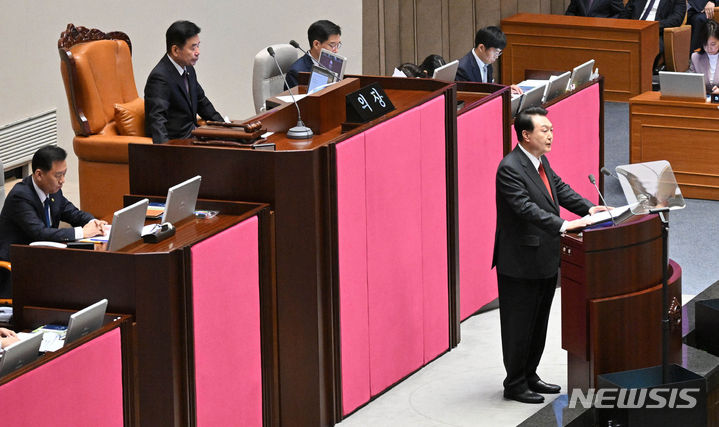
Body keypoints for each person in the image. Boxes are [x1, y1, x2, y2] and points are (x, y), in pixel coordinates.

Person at [492, 106, 607, 404]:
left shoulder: (540, 163)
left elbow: (559, 189)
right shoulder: (510, 168)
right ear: (526, 134)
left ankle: (530, 374)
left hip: (544, 258)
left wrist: (588, 208)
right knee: (519, 325)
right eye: (544, 130)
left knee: (538, 322)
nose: (550, 135)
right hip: (519, 262)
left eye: (551, 129)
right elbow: (525, 209)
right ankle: (514, 383)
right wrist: (565, 224)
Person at [0, 146, 105, 265]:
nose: (62, 180)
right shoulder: (20, 197)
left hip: (44, 257)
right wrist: (82, 232)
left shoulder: (53, 191)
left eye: (64, 174)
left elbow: (73, 213)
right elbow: (40, 233)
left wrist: (93, 222)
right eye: (58, 175)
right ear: (39, 175)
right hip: (17, 264)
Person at [144, 20, 224, 144]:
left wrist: (227, 130)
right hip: (179, 144)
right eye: (193, 48)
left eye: (198, 45)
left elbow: (203, 104)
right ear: (175, 50)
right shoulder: (160, 78)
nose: (198, 52)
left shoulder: (189, 69)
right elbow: (157, 120)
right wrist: (164, 154)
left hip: (194, 137)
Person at [620, 0, 686, 69]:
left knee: (647, 48)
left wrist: (651, 27)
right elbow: (625, 14)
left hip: (657, 32)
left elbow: (676, 19)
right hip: (634, 30)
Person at [456, 26, 522, 94]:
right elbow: (470, 98)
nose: (497, 57)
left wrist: (505, 90)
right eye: (495, 52)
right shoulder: (463, 69)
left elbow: (488, 89)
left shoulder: (486, 61)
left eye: (499, 53)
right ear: (481, 48)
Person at [286, 20, 342, 89]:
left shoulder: (333, 65)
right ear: (316, 44)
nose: (336, 51)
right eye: (332, 45)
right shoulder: (296, 72)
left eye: (338, 44)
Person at [689, 20, 719, 93]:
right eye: (705, 44)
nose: (709, 48)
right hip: (703, 100)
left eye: (713, 44)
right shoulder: (695, 57)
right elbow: (690, 83)